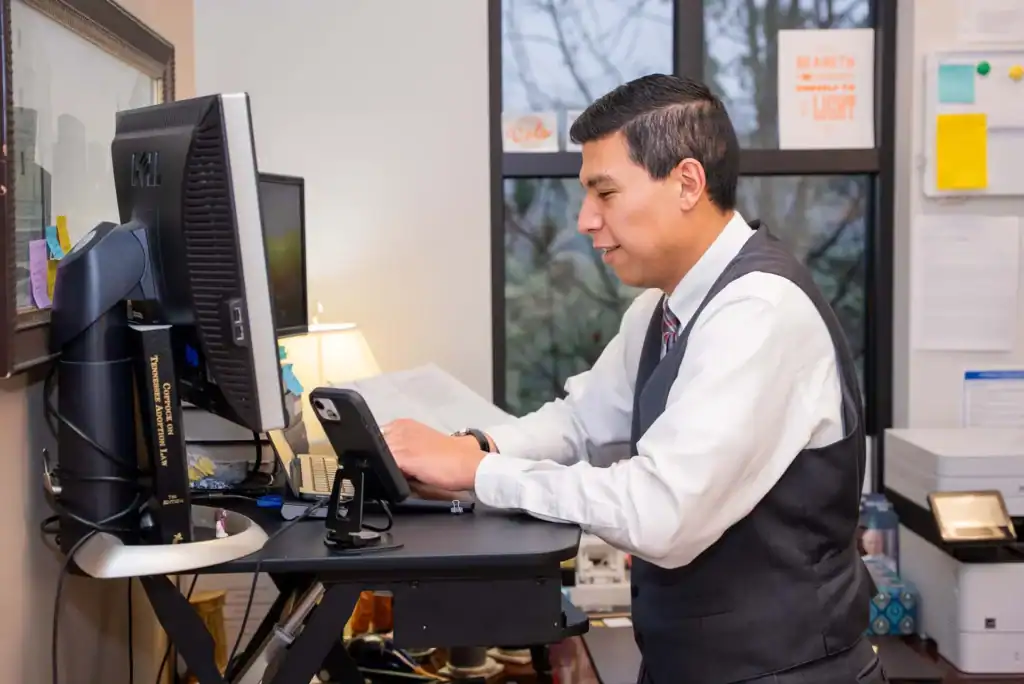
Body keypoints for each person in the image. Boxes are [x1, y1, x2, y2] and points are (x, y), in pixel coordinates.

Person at [382, 74, 883, 683]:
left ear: (687, 183)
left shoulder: (760, 313)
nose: (585, 221)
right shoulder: (663, 308)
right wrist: (478, 447)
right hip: (686, 662)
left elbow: (661, 514)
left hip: (784, 670)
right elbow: (582, 421)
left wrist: (481, 474)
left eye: (605, 193)